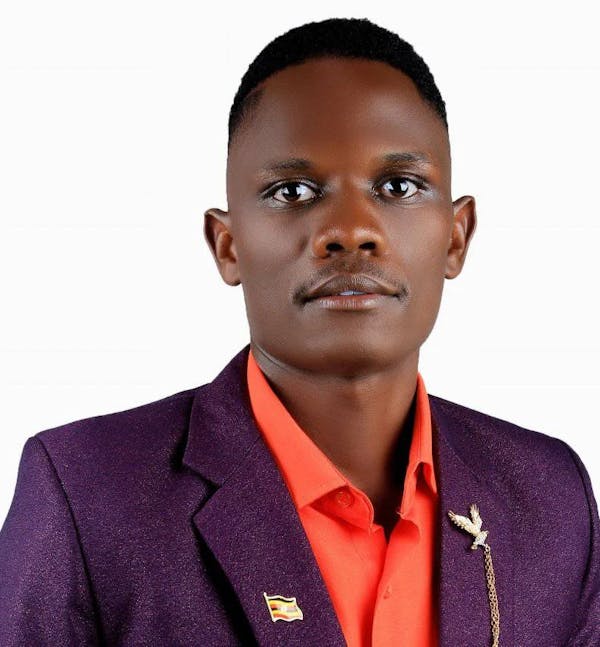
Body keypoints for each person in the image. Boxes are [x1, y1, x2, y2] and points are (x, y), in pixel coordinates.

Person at [0, 16, 598, 647]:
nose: (350, 229)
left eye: (398, 186)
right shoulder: (87, 495)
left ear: (456, 237)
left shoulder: (549, 498)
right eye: (293, 191)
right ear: (227, 245)